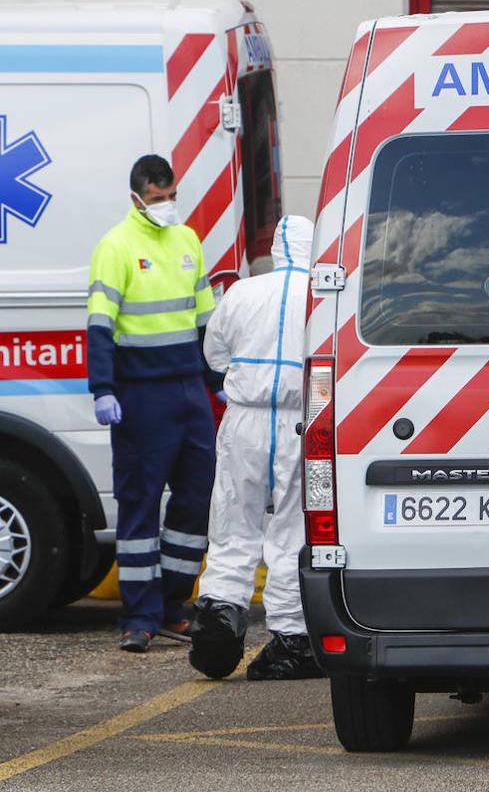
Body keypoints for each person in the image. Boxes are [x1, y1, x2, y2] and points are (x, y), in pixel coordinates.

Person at [88, 154, 221, 654]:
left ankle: (171, 605)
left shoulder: (187, 240)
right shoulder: (116, 247)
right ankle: (139, 617)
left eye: (171, 196)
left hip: (189, 391)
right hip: (140, 395)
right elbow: (100, 325)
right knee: (140, 505)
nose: (167, 206)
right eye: (157, 198)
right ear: (137, 198)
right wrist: (103, 387)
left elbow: (206, 319)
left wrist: (218, 378)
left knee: (194, 500)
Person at [189, 215, 323, 681]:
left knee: (232, 522)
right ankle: (293, 640)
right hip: (299, 423)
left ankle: (218, 628)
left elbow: (214, 355)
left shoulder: (242, 292)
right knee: (290, 530)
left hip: (244, 420)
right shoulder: (323, 293)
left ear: (277, 250)